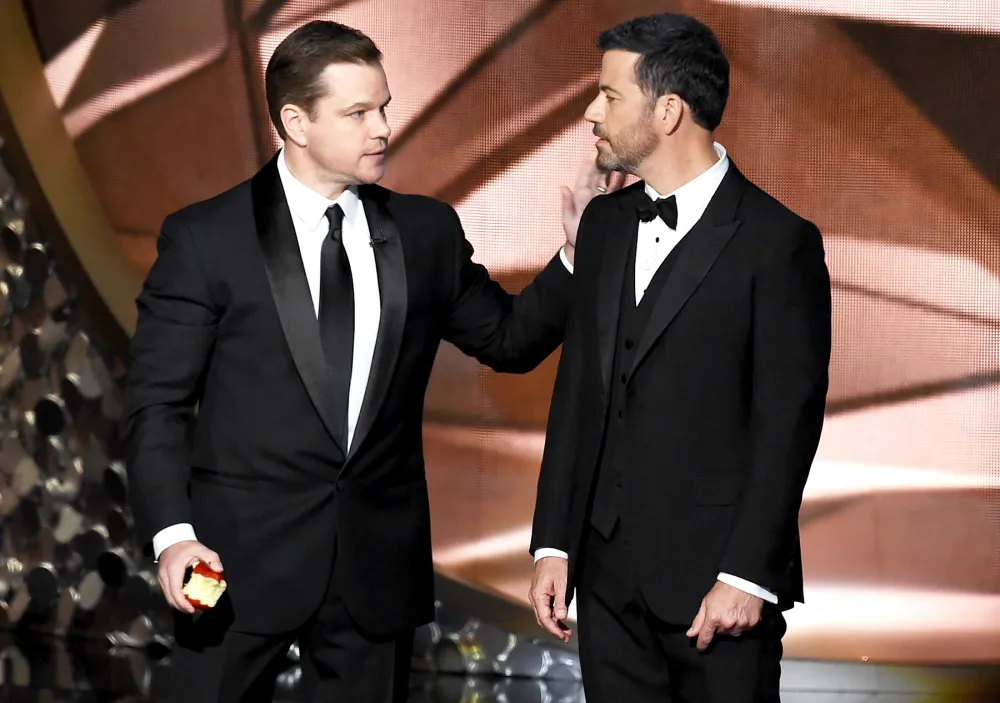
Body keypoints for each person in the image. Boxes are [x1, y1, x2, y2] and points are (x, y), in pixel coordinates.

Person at [122, 20, 603, 703]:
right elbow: (155, 406)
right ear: (295, 120)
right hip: (231, 564)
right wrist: (173, 537)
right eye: (357, 113)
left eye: (383, 107)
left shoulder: (424, 231)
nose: (382, 127)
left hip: (374, 570)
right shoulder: (207, 238)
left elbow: (509, 341)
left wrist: (575, 254)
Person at [528, 12, 832, 703]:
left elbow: (788, 421)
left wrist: (748, 575)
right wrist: (553, 543)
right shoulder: (604, 225)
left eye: (608, 96)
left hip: (716, 592)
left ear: (668, 111)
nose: (589, 112)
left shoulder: (777, 242)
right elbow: (578, 392)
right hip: (605, 586)